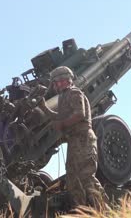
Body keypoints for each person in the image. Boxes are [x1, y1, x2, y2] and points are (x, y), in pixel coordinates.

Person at [39, 66, 106, 208]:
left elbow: (79, 114)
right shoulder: (64, 97)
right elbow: (60, 116)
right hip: (74, 141)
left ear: (69, 80)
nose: (58, 84)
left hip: (83, 139)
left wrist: (62, 124)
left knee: (86, 177)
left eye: (61, 81)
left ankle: (103, 210)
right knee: (72, 180)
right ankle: (82, 210)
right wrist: (44, 108)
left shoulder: (75, 93)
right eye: (56, 82)